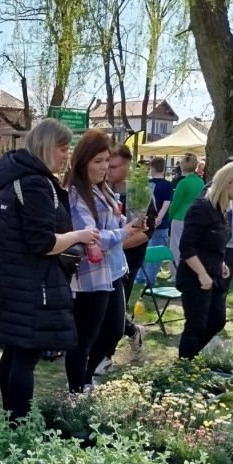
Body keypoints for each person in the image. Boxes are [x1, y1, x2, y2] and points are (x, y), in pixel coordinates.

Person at [0, 118, 98, 422]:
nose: (66, 156)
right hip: (29, 284)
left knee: (14, 352)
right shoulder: (35, 185)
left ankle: (11, 421)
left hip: (10, 280)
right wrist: (80, 236)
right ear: (46, 147)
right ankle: (20, 425)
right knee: (25, 357)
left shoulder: (12, 177)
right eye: (63, 149)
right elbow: (43, 243)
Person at [63, 129, 142, 393]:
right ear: (82, 161)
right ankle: (76, 390)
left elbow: (114, 220)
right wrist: (125, 231)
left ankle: (86, 378)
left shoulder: (102, 188)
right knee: (85, 336)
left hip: (114, 269)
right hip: (90, 274)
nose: (104, 166)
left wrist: (130, 223)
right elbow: (92, 237)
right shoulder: (75, 194)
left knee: (114, 331)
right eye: (98, 161)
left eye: (107, 160)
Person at [177, 159, 233, 359]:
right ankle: (184, 366)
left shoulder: (222, 209)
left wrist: (220, 263)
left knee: (217, 321)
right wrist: (202, 274)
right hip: (195, 276)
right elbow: (186, 247)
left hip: (214, 273)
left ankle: (190, 360)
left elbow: (212, 242)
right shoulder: (201, 207)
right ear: (230, 182)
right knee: (196, 325)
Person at [97, 145, 152, 370]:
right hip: (101, 258)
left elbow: (147, 231)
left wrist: (116, 243)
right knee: (102, 307)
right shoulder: (100, 189)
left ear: (128, 166)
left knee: (114, 310)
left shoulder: (139, 192)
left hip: (128, 260)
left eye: (113, 166)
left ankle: (105, 357)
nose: (107, 170)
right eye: (105, 164)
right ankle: (132, 331)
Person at [137, 156, 174, 285]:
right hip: (161, 223)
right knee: (156, 252)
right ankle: (150, 278)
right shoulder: (168, 185)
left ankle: (140, 276)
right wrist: (159, 218)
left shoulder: (146, 184)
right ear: (163, 169)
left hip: (146, 221)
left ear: (151, 168)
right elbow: (166, 204)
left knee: (144, 250)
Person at [168, 153, 204, 263]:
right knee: (192, 246)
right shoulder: (201, 182)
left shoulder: (182, 183)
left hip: (180, 217)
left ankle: (176, 269)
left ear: (182, 166)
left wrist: (169, 216)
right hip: (196, 217)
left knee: (176, 246)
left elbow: (176, 203)